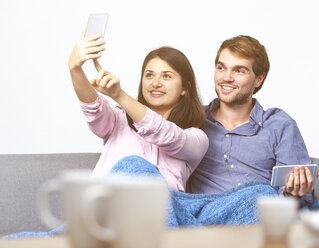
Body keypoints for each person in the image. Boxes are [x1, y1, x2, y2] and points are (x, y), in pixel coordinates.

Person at [68, 30, 209, 192]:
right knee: (132, 166)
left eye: (167, 76)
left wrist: (119, 95)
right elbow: (93, 107)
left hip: (162, 213)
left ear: (185, 87)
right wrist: (75, 68)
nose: (156, 83)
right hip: (107, 210)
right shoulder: (117, 120)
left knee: (139, 168)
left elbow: (166, 134)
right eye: (149, 75)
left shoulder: (197, 139)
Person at [187, 35, 318, 206]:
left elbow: (296, 201)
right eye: (221, 67)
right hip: (204, 218)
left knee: (264, 194)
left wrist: (292, 193)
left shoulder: (279, 125)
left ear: (259, 79)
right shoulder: (193, 118)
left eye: (239, 70)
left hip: (256, 217)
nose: (226, 77)